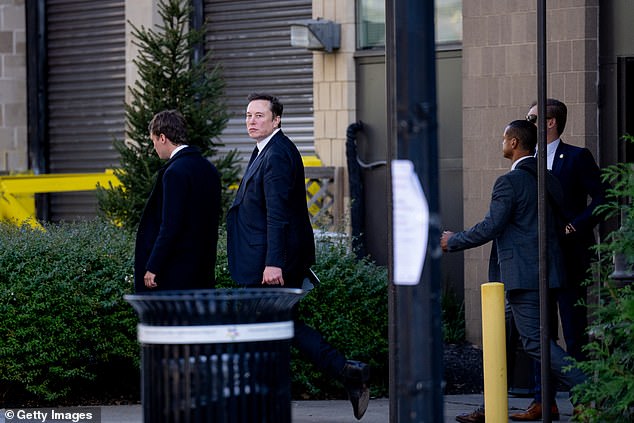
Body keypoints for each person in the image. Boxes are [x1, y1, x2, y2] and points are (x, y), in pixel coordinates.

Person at [226, 93, 370, 420]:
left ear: (276, 119)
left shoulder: (276, 154)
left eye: (259, 115)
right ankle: (346, 374)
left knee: (268, 328)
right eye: (248, 115)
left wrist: (273, 263)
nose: (251, 121)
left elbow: (278, 214)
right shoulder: (266, 150)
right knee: (278, 328)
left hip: (271, 263)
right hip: (265, 260)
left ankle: (342, 375)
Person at [440, 120, 587, 423]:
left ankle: (593, 389)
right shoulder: (547, 178)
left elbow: (492, 226)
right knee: (503, 339)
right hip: (545, 272)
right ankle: (490, 408)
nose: (502, 142)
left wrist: (453, 240)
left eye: (504, 137)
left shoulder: (510, 182)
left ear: (514, 143)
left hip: (523, 277)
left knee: (535, 342)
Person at [509, 99, 607, 421]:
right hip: (535, 261)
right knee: (541, 334)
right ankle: (542, 401)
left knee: (575, 331)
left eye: (532, 118)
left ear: (550, 122)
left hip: (569, 257)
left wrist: (575, 225)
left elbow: (603, 197)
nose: (527, 122)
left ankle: (582, 401)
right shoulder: (526, 160)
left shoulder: (577, 157)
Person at [134, 109, 221, 292]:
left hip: (175, 272)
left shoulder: (174, 172)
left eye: (154, 141)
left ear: (163, 137)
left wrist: (153, 265)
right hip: (203, 270)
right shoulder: (209, 169)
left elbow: (170, 225)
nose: (154, 147)